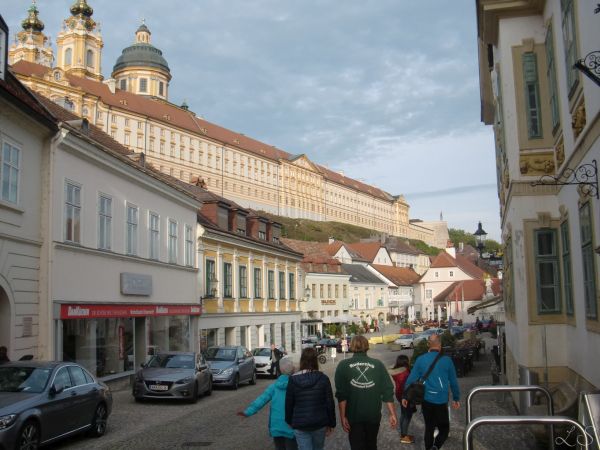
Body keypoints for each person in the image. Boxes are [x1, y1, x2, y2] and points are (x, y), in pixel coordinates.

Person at [334, 335, 397, 450]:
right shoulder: (378, 365)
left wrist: (343, 416)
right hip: (373, 416)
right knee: (371, 445)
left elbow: (341, 395)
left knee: (357, 446)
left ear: (351, 346)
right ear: (367, 347)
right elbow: (388, 390)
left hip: (353, 416)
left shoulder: (343, 366)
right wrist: (392, 414)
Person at [402, 335, 460, 450]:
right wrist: (456, 398)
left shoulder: (420, 359)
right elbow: (453, 382)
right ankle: (436, 446)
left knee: (429, 427)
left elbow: (411, 379)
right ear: (440, 345)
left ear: (428, 345)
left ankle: (429, 448)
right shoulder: (447, 360)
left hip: (426, 400)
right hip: (441, 400)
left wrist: (405, 396)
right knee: (444, 429)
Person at [239, 357, 298, 450]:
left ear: (280, 370)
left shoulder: (274, 386)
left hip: (276, 426)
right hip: (292, 427)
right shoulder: (297, 386)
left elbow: (261, 400)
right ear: (293, 370)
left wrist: (248, 412)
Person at [285, 347, 336, 450]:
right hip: (319, 422)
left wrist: (289, 421)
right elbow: (330, 403)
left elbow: (289, 403)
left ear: (302, 360)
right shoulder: (323, 378)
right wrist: (331, 423)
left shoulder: (293, 380)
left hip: (300, 424)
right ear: (315, 360)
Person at [389, 354, 415, 444]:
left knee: (403, 414)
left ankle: (403, 434)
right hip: (406, 395)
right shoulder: (405, 372)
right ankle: (404, 436)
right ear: (405, 362)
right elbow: (408, 385)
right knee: (407, 416)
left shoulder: (396, 372)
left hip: (399, 394)